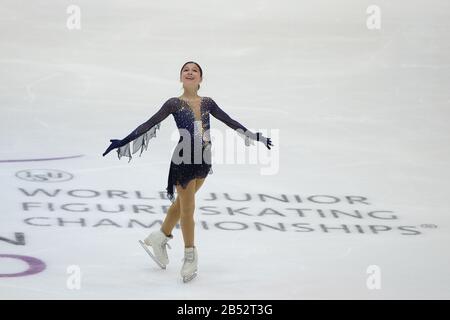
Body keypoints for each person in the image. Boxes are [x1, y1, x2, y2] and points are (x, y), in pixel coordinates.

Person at [103, 61, 273, 282]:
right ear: (181, 78)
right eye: (186, 70)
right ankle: (190, 254)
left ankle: (160, 236)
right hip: (183, 161)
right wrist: (123, 141)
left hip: (203, 159)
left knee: (181, 204)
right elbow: (149, 123)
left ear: (201, 79)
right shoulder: (174, 103)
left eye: (195, 71)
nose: (190, 72)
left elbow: (230, 121)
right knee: (188, 209)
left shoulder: (208, 103)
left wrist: (253, 135)